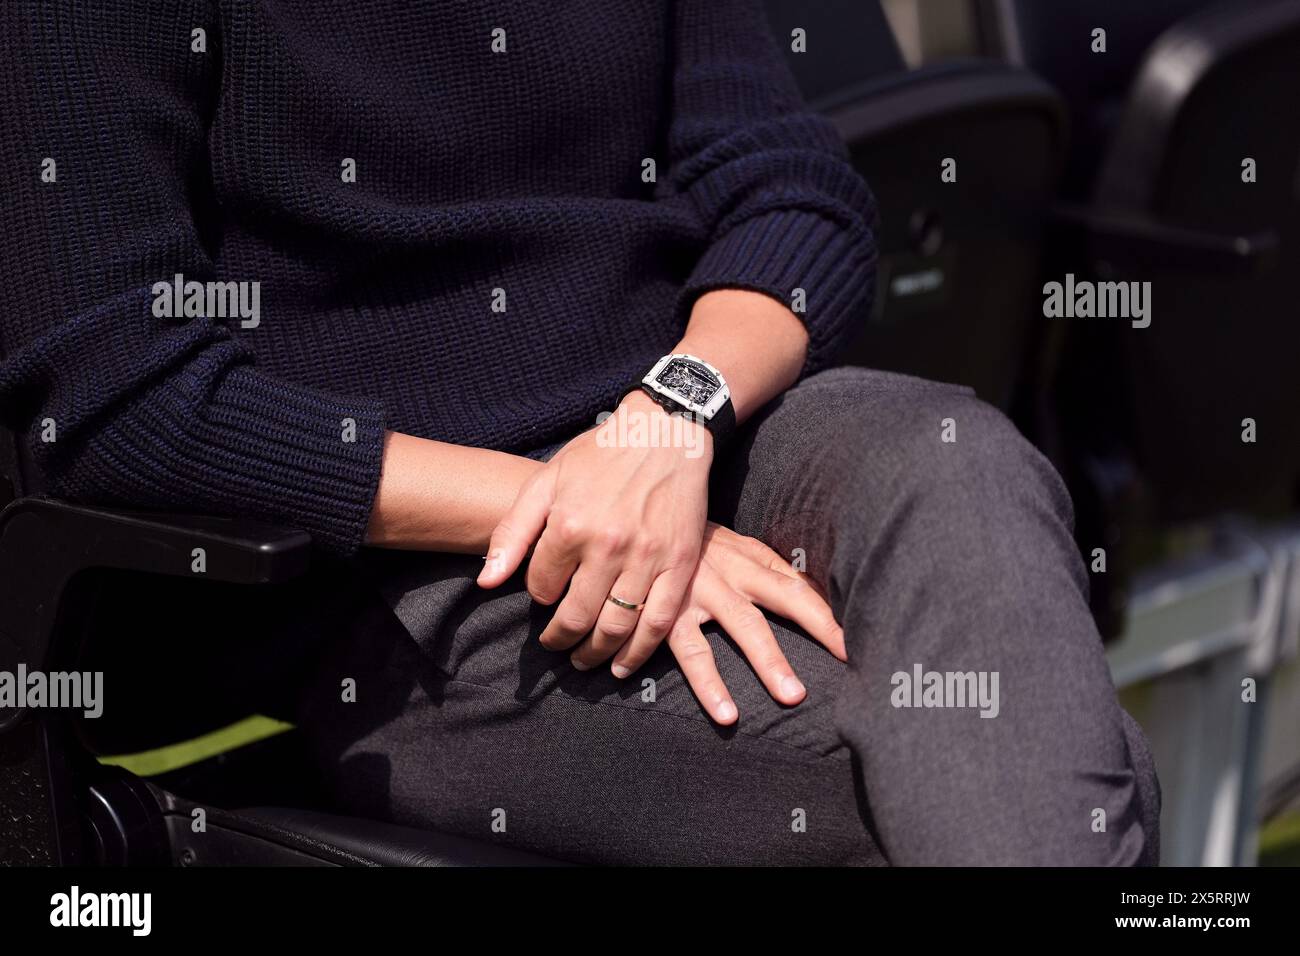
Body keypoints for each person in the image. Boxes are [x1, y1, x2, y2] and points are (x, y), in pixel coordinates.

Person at [0, 0, 1158, 865]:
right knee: (995, 777)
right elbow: (117, 392)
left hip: (677, 418)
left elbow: (790, 191)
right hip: (379, 565)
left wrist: (667, 423)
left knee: (958, 458)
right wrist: (570, 500)